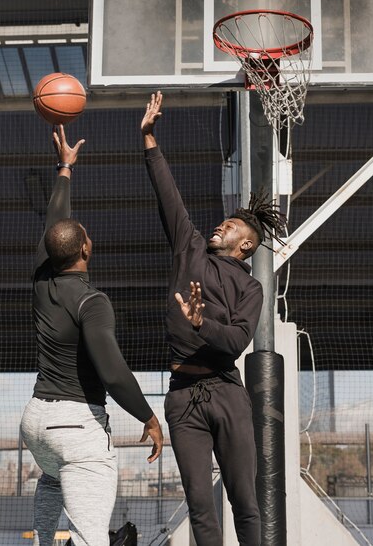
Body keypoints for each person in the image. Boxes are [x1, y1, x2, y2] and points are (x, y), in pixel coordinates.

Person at [140, 92, 286, 546]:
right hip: (183, 398)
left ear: (247, 245)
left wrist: (202, 323)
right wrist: (148, 140)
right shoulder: (191, 247)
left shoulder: (250, 287)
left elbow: (238, 340)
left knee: (246, 504)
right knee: (202, 510)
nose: (224, 224)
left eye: (234, 225)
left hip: (227, 393)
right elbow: (169, 197)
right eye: (224, 220)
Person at [21, 125, 163, 546]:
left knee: (51, 475)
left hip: (36, 422)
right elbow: (113, 372)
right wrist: (148, 416)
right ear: (86, 248)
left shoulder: (42, 279)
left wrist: (64, 167)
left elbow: (55, 224)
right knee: (90, 537)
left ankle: (42, 543)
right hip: (75, 426)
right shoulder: (92, 301)